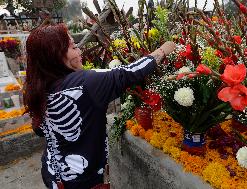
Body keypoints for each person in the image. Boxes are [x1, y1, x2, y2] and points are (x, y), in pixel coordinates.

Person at [24, 23, 176, 189]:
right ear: (55, 54)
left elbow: (39, 129)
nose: (80, 52)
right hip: (82, 182)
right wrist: (163, 50)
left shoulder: (37, 86)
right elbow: (128, 73)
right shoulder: (86, 84)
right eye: (74, 47)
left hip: (51, 172)